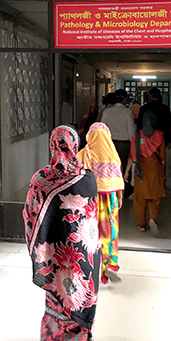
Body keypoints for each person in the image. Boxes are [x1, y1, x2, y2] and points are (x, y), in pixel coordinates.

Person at [22, 125, 101, 341]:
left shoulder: (41, 180)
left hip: (56, 263)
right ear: (76, 146)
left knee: (57, 309)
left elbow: (30, 216)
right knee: (80, 306)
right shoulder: (88, 179)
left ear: (53, 146)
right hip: (85, 260)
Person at [77, 122, 124, 284]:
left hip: (91, 200)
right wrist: (119, 199)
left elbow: (78, 178)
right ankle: (109, 263)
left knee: (90, 232)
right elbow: (118, 183)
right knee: (109, 230)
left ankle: (90, 265)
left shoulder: (85, 153)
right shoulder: (113, 154)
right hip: (110, 200)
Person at [124, 110, 166, 236]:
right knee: (155, 197)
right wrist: (163, 173)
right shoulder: (160, 136)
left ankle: (141, 225)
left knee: (139, 198)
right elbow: (163, 158)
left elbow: (131, 155)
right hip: (155, 168)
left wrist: (126, 172)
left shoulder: (137, 136)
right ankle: (152, 218)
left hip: (140, 169)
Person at [101, 88, 135, 198]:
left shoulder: (106, 111)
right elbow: (131, 130)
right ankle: (126, 190)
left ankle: (111, 190)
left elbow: (102, 128)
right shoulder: (127, 112)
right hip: (124, 144)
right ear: (124, 99)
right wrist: (133, 144)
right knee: (125, 167)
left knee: (110, 167)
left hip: (110, 144)